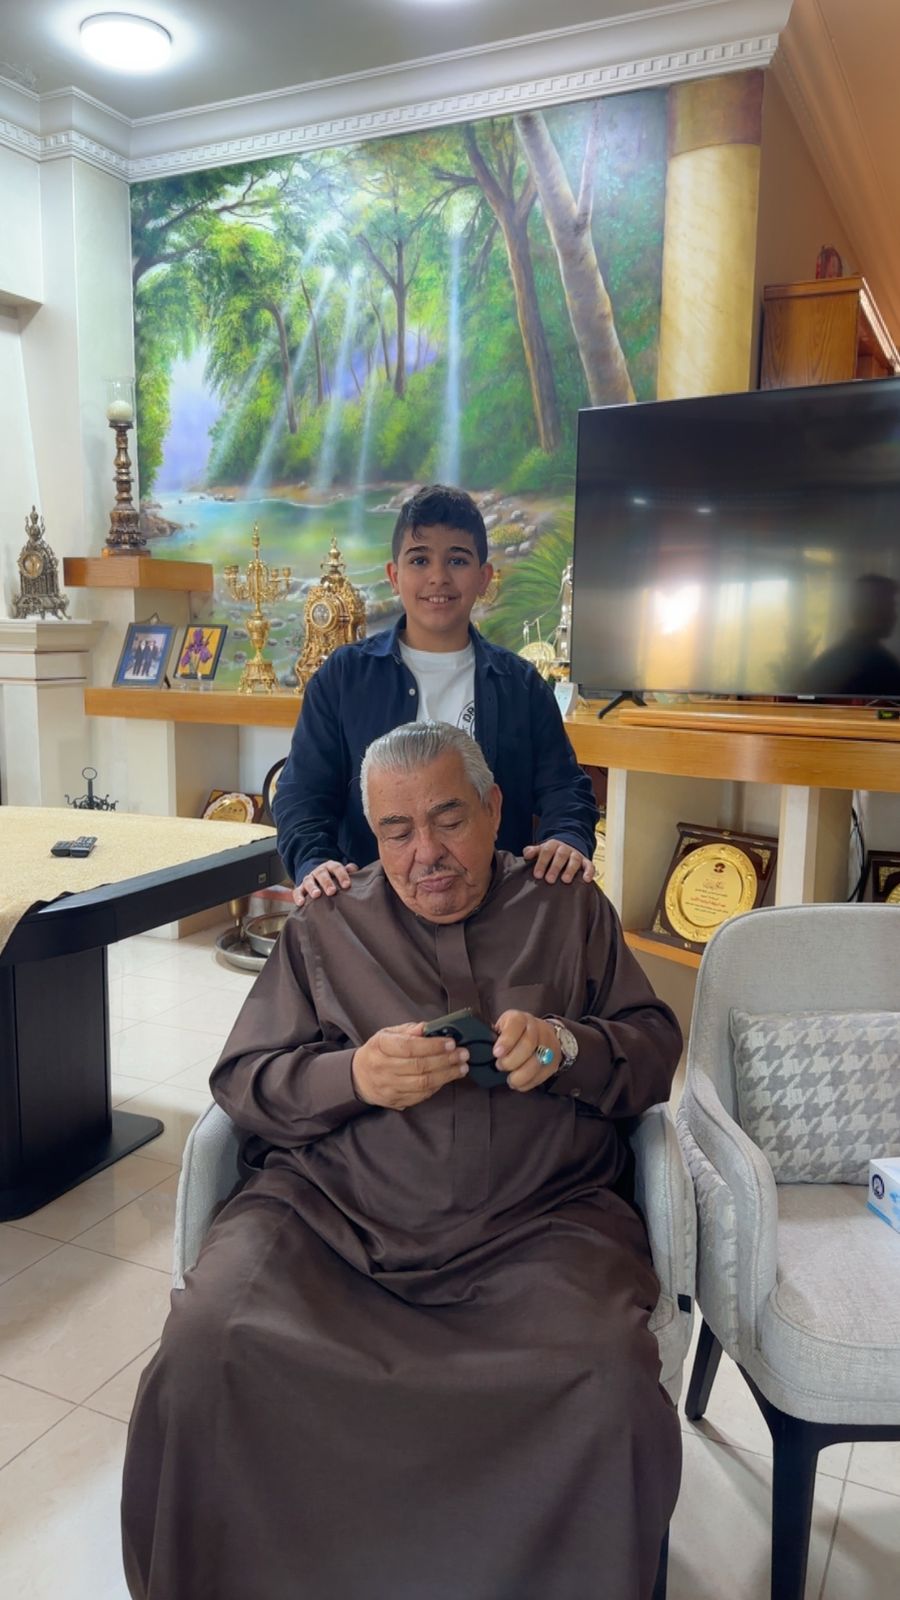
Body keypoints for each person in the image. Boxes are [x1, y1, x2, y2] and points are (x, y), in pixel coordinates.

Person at [122, 722, 683, 1600]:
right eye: (396, 831)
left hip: (540, 1231)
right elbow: (243, 1082)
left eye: (449, 819)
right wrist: (354, 1075)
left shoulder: (567, 908)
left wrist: (567, 1047)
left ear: (494, 809)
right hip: (330, 1224)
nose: (426, 854)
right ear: (372, 834)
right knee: (206, 1348)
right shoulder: (325, 924)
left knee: (607, 1378)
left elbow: (652, 1048)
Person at [273, 483, 598, 906]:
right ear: (394, 576)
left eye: (457, 560)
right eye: (419, 559)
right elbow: (302, 795)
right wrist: (314, 861)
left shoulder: (521, 685)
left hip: (497, 911)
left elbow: (566, 788)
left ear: (484, 578)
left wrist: (567, 838)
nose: (438, 577)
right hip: (372, 913)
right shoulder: (343, 678)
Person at [800, 573, 900, 698]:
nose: (895, 616)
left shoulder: (829, 661)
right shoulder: (881, 665)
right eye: (890, 606)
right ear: (873, 609)